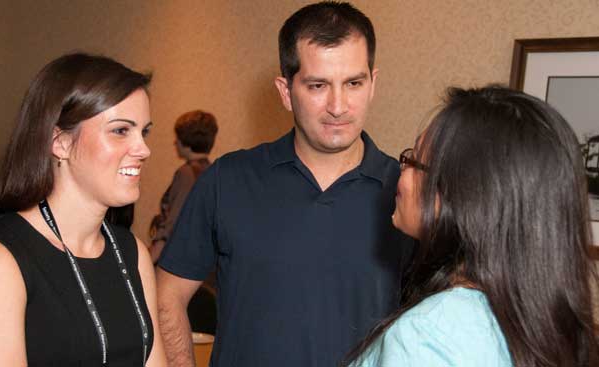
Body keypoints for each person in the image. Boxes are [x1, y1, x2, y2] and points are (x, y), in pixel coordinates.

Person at [156, 2, 412, 366]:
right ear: (285, 90)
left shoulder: (408, 192)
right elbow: (168, 296)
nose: (338, 106)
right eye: (318, 85)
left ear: (373, 84)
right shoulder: (227, 180)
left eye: (353, 83)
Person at [345, 85, 599, 367]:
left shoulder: (429, 335)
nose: (401, 173)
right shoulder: (547, 321)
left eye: (414, 160)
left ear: (463, 197)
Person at [0, 53, 167, 366]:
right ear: (61, 142)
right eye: (121, 130)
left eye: (144, 132)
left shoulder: (131, 252)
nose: (143, 149)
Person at [149, 110, 218, 264]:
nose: (175, 143)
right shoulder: (212, 171)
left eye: (177, 138)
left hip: (181, 259)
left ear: (185, 142)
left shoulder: (186, 173)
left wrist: (150, 260)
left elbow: (172, 223)